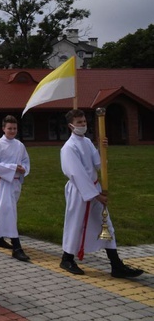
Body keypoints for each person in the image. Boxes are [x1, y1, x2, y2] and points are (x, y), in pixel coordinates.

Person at [59, 109, 143, 278]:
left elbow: (98, 164)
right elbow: (77, 174)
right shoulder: (69, 148)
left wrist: (102, 148)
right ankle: (67, 258)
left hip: (94, 189)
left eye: (84, 122)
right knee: (77, 224)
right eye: (79, 123)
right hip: (80, 191)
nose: (83, 125)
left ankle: (116, 265)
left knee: (106, 225)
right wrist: (97, 195)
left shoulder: (88, 142)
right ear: (71, 126)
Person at [0, 115, 31, 262]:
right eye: (9, 128)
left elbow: (25, 160)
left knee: (6, 210)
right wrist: (12, 168)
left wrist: (23, 168)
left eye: (14, 128)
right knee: (8, 211)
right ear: (3, 129)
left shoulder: (19, 145)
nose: (12, 131)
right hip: (3, 181)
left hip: (16, 181)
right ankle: (16, 245)